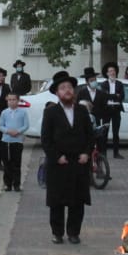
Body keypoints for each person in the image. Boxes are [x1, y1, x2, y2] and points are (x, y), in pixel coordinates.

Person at [40, 71, 95, 244]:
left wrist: (87, 152)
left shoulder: (81, 111)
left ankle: (73, 232)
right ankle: (57, 232)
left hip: (79, 162)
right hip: (59, 164)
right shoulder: (51, 112)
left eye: (70, 87)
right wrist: (56, 157)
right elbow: (46, 139)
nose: (67, 91)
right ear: (57, 93)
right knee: (57, 201)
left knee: (77, 201)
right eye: (63, 88)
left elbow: (90, 135)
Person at [0, 91, 29, 192]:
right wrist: (7, 131)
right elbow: (0, 126)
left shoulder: (23, 112)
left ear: (18, 100)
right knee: (7, 163)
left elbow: (26, 125)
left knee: (16, 164)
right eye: (9, 100)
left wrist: (18, 131)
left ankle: (16, 184)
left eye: (13, 100)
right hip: (6, 141)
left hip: (17, 141)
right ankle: (8, 184)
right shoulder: (4, 112)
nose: (11, 102)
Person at [100, 62, 126, 158]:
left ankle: (116, 153)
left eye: (114, 71)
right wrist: (115, 95)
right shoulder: (104, 84)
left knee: (116, 132)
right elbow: (104, 96)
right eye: (110, 71)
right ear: (107, 73)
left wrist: (112, 96)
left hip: (116, 110)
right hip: (107, 110)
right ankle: (103, 153)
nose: (112, 73)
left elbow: (122, 96)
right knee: (105, 132)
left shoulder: (119, 84)